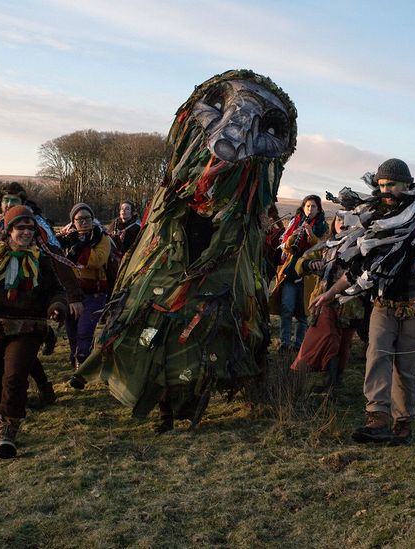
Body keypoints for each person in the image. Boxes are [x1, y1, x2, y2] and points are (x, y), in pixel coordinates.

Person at [75, 69, 298, 433]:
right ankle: (163, 408)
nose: (233, 137)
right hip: (163, 286)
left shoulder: (242, 230)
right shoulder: (166, 210)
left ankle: (189, 405)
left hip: (211, 293)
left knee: (203, 347)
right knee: (155, 342)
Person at [312, 158, 415, 445]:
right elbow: (361, 267)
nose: (385, 190)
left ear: (407, 183)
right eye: (381, 185)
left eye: (391, 184)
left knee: (405, 366)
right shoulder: (377, 216)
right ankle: (377, 419)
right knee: (376, 354)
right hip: (384, 301)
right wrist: (331, 293)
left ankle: (402, 424)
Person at [0, 205, 67, 458]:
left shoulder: (41, 259)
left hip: (28, 326)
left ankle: (8, 427)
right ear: (9, 230)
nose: (26, 232)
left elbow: (56, 289)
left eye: (30, 228)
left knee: (14, 376)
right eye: (20, 228)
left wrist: (56, 305)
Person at [0, 182, 83, 408]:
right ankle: (39, 389)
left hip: (30, 292)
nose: (8, 204)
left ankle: (25, 395)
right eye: (5, 200)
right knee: (12, 347)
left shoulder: (34, 225)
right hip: (2, 296)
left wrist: (74, 296)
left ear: (23, 202)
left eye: (14, 200)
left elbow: (56, 256)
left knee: (23, 344)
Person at [289, 212, 364, 393]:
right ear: (334, 223)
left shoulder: (363, 247)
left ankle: (334, 383)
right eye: (339, 220)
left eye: (348, 221)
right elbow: (301, 262)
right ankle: (322, 379)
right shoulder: (326, 245)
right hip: (324, 302)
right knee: (328, 338)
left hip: (353, 305)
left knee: (344, 346)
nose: (343, 224)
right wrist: (310, 264)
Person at [57, 203, 113, 371]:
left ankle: (83, 364)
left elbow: (97, 260)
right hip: (71, 293)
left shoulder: (101, 237)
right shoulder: (64, 238)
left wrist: (80, 247)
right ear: (73, 221)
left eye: (87, 218)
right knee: (72, 333)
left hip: (94, 293)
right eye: (79, 219)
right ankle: (76, 363)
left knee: (85, 331)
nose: (83, 222)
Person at [270, 195, 327, 353]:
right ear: (303, 208)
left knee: (303, 314)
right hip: (291, 273)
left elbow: (322, 247)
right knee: (286, 308)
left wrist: (311, 235)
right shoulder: (295, 223)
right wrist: (295, 235)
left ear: (319, 209)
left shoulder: (323, 226)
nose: (310, 209)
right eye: (307, 206)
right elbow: (286, 248)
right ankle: (284, 343)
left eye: (313, 206)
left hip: (309, 275)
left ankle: (298, 345)